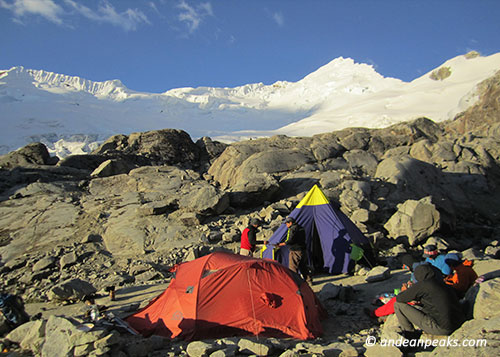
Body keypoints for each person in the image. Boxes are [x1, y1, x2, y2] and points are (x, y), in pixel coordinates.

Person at [394, 264, 465, 337]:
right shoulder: (442, 283)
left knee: (398, 305)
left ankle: (410, 335)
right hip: (458, 322)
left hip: (443, 328)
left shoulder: (423, 285)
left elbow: (400, 298)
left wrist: (404, 291)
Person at [278, 217, 312, 284]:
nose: (286, 225)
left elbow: (290, 240)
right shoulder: (301, 228)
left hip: (295, 250)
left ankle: (294, 283)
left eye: (286, 223)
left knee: (293, 267)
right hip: (303, 249)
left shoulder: (292, 229)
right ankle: (309, 280)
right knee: (303, 266)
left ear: (290, 223)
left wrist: (282, 244)